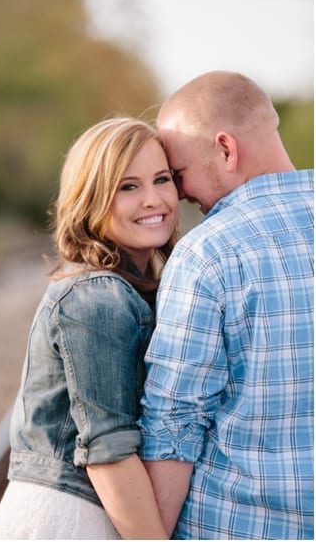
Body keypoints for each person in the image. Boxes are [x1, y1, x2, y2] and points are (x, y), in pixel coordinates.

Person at [0, 117, 178, 539]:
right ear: (90, 198)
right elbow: (109, 454)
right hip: (65, 519)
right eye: (128, 186)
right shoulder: (97, 297)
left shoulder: (127, 289)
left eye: (161, 179)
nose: (153, 199)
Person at [138, 70, 314, 539]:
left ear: (226, 149)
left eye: (177, 175)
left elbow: (174, 425)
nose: (178, 194)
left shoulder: (208, 254)